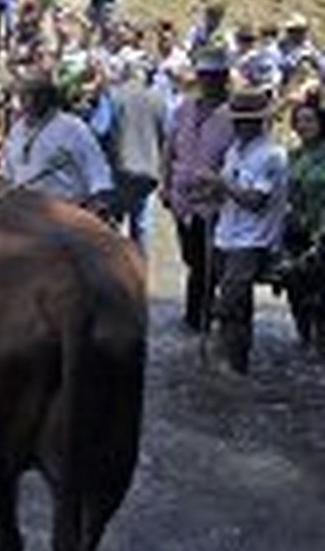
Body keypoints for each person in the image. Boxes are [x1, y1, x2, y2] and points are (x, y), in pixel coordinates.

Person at [205, 90, 288, 374]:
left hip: (253, 239)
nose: (239, 126)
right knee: (235, 308)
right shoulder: (234, 151)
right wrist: (210, 193)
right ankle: (236, 363)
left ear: (260, 123)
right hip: (227, 234)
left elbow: (256, 201)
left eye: (245, 121)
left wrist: (221, 184)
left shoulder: (272, 155)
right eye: (236, 121)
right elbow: (229, 191)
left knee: (230, 301)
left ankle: (231, 361)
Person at [163, 47, 236, 332]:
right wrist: (165, 182)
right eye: (205, 76)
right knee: (191, 257)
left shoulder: (233, 114)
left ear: (225, 78)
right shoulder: (184, 108)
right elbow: (170, 147)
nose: (209, 81)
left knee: (205, 262)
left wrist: (221, 186)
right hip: (182, 196)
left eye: (215, 76)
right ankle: (199, 311)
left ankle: (199, 316)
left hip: (213, 199)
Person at [3, 67, 114, 212]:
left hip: (64, 216)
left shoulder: (72, 129)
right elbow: (8, 175)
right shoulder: (17, 130)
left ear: (44, 97)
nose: (21, 101)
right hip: (25, 216)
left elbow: (98, 175)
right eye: (20, 95)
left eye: (27, 95)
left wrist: (93, 210)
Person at [106, 55, 169, 249]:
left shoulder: (114, 96)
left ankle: (115, 268)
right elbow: (165, 136)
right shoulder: (158, 99)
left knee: (113, 224)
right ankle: (139, 270)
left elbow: (104, 130)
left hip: (120, 168)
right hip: (149, 170)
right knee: (141, 226)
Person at [280, 92, 325, 357]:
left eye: (310, 121)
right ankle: (303, 335)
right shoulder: (293, 156)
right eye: (300, 121)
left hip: (322, 230)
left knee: (321, 290)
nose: (304, 126)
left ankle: (320, 341)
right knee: (294, 282)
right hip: (296, 229)